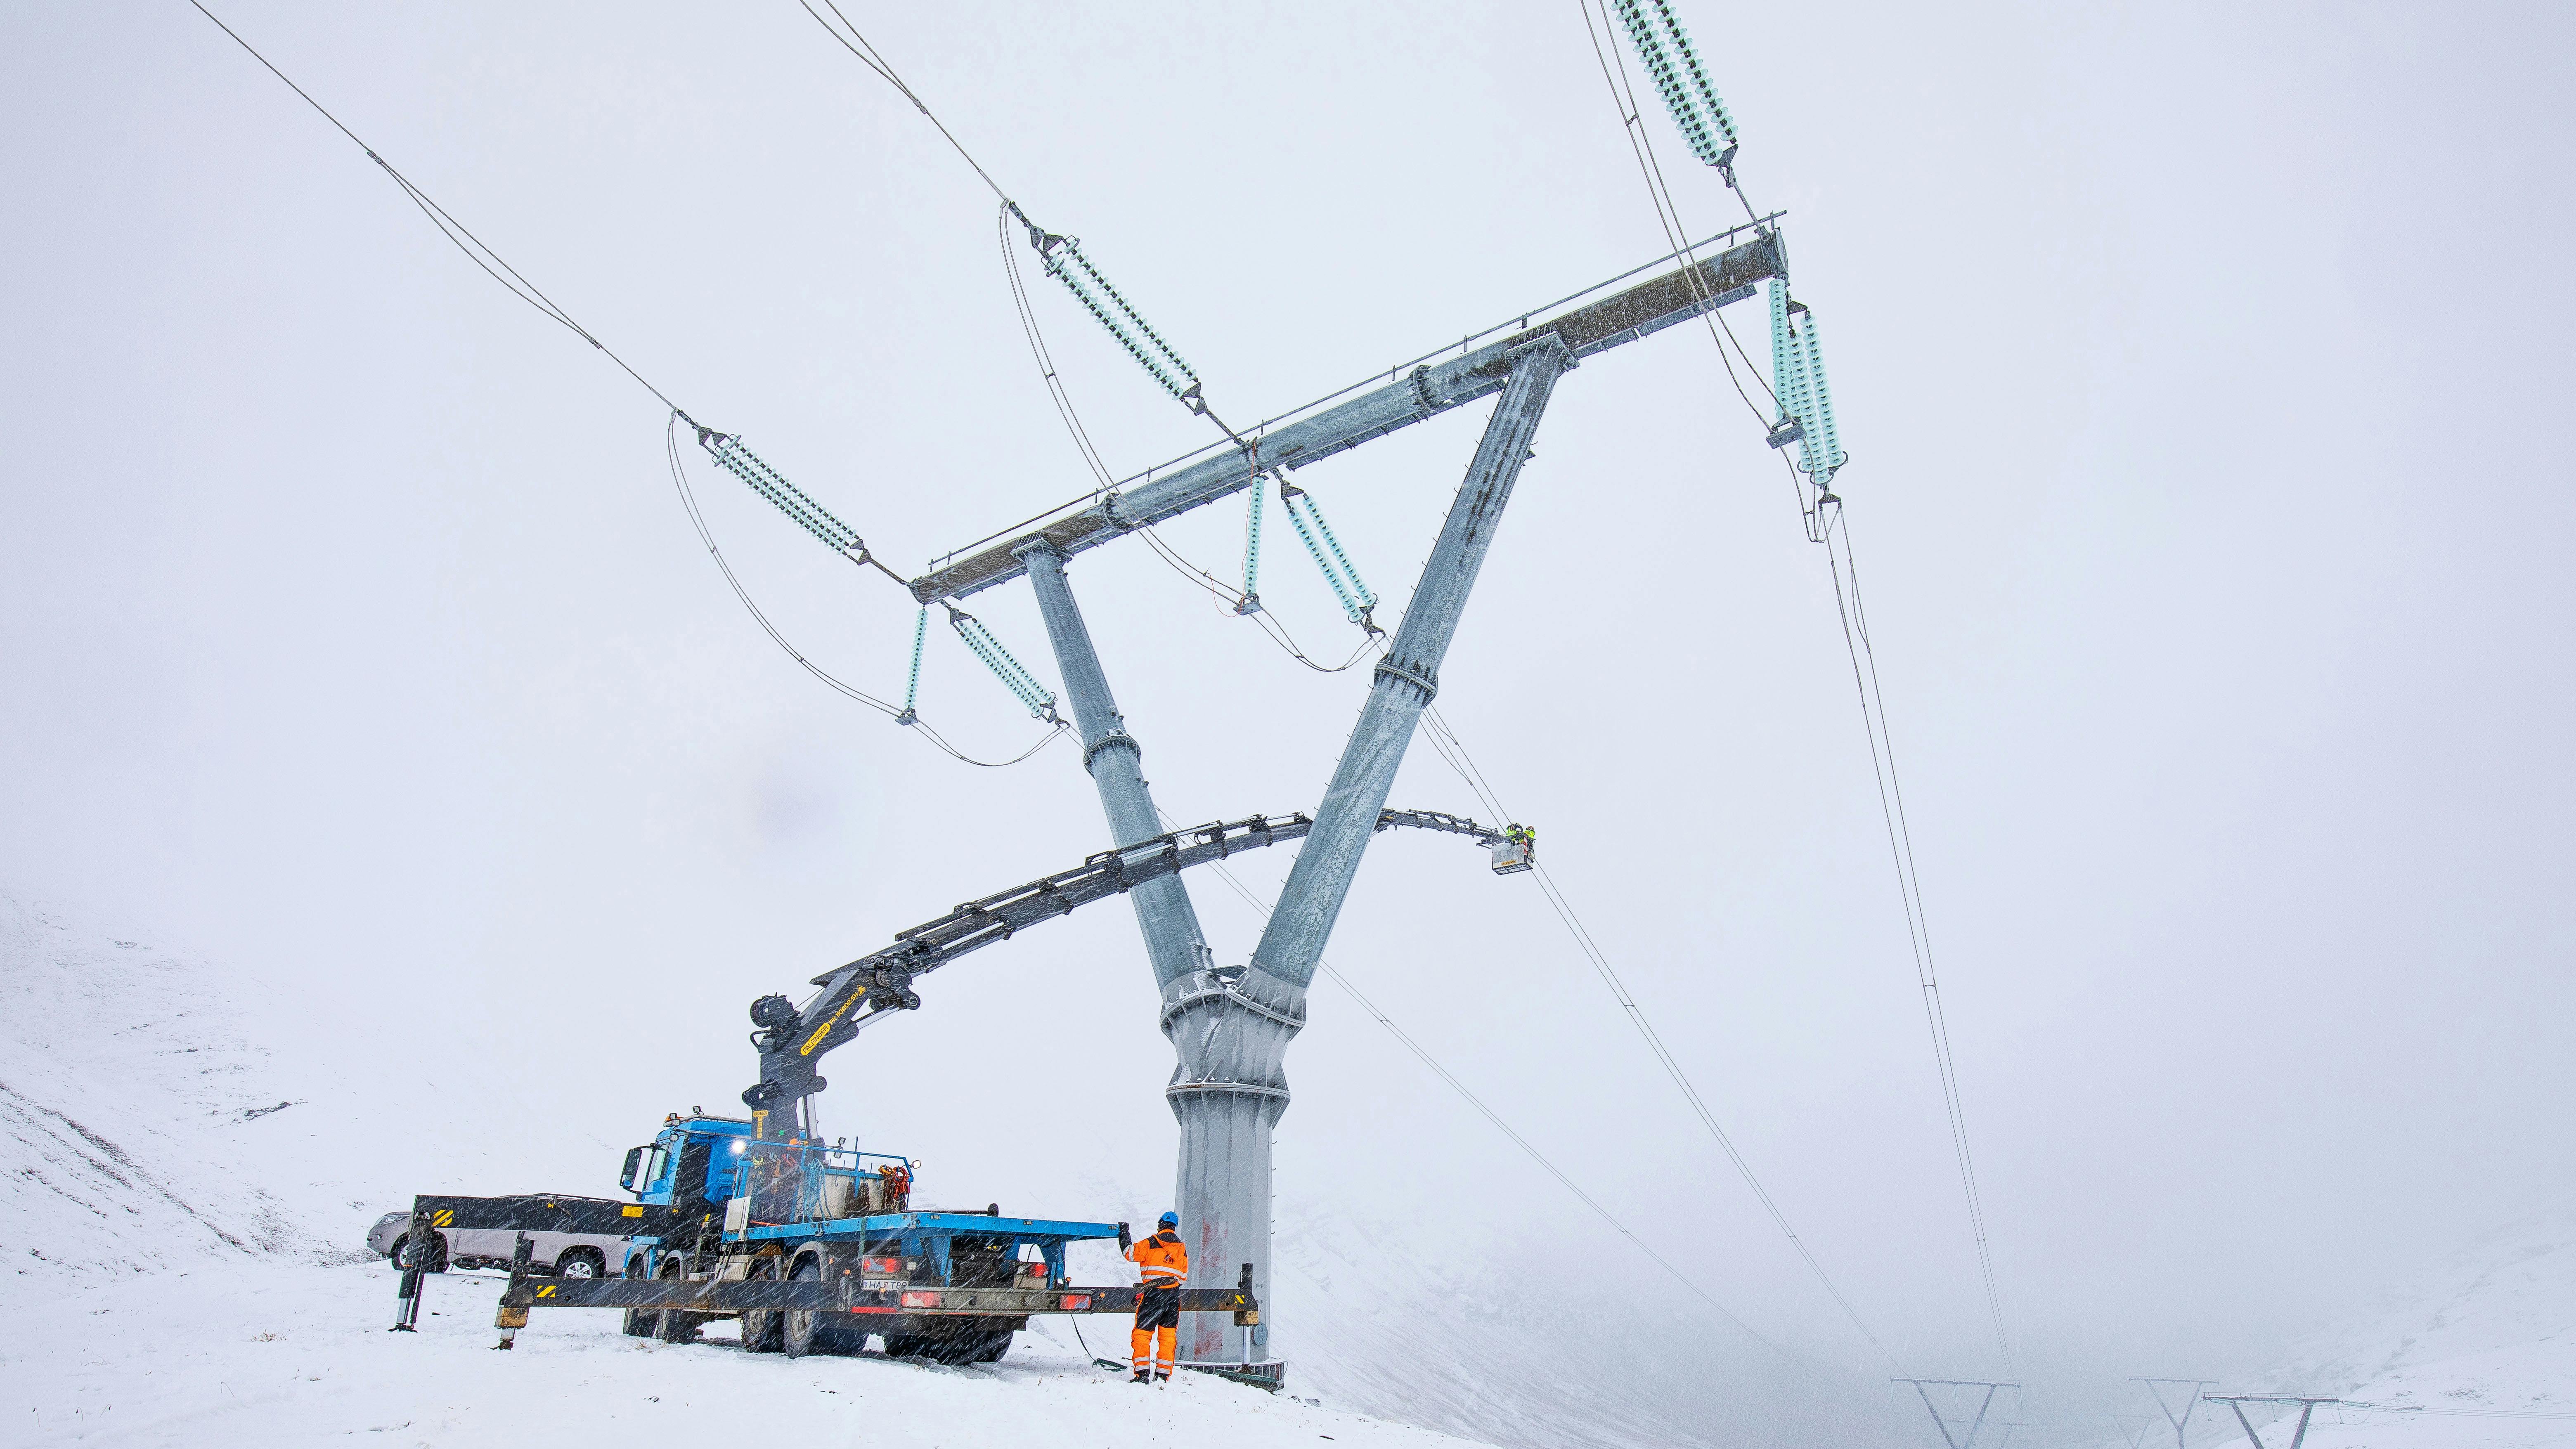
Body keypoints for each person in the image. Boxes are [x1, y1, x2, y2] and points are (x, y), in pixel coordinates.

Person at [1124, 1210, 1188, 1383]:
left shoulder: (1150, 1243)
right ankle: (1162, 1376)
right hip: (1173, 1297)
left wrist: (1124, 1234)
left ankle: (1143, 1373)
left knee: (1142, 1334)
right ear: (1174, 1227)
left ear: (1161, 1224)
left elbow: (1130, 1253)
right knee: (1168, 1337)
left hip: (1153, 1294)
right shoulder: (1182, 1249)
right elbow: (1183, 1277)